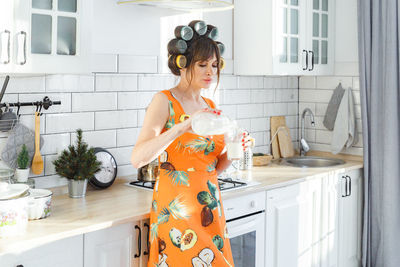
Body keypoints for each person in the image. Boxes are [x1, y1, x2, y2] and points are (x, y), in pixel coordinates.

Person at [131, 20, 250, 267]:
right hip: (178, 210)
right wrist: (182, 126)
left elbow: (212, 169)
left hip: (209, 206)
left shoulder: (212, 108)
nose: (211, 72)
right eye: (202, 64)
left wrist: (235, 149)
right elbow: (138, 158)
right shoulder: (164, 101)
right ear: (183, 65)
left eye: (215, 65)